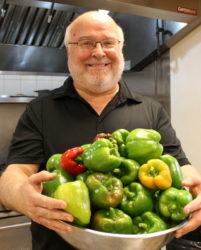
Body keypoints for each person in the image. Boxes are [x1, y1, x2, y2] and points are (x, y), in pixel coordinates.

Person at [0, 10, 201, 250]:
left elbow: (180, 165)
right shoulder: (39, 110)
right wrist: (21, 197)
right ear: (69, 51)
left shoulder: (151, 109)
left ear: (121, 49)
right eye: (85, 43)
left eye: (108, 43)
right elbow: (15, 173)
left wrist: (197, 194)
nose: (98, 52)